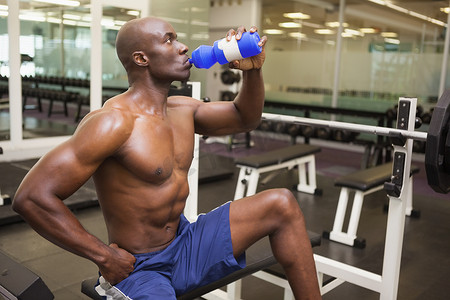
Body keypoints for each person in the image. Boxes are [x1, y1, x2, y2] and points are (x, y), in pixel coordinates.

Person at [12, 17, 321, 299]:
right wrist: (105, 257)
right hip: (138, 267)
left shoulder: (183, 109)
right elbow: (32, 197)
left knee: (281, 203)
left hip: (184, 242)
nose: (183, 46)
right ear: (141, 58)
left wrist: (253, 72)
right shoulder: (113, 122)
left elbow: (245, 118)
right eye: (169, 40)